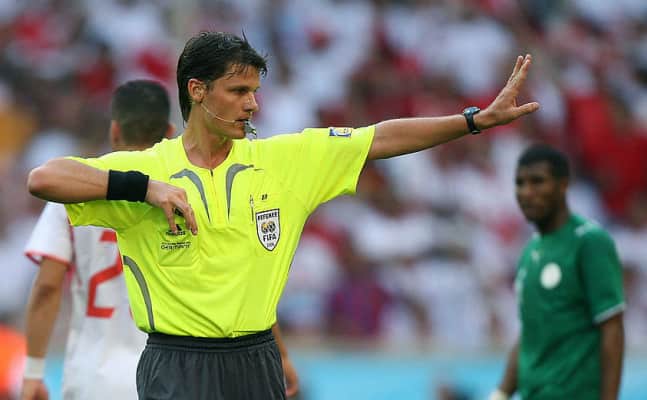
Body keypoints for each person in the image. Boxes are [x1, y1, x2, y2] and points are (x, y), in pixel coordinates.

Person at [27, 31, 539, 399]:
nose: (252, 104)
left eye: (255, 91)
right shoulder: (149, 168)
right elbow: (45, 177)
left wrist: (473, 121)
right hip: (176, 364)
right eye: (238, 91)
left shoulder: (284, 160)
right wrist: (142, 189)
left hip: (257, 361)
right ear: (197, 90)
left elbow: (379, 138)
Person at [20, 79, 298, 400]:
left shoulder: (74, 189)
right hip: (172, 369)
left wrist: (33, 372)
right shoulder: (188, 188)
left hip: (94, 375)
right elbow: (235, 285)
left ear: (114, 131)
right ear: (169, 131)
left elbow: (48, 285)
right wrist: (281, 353)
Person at [489, 145, 625, 400]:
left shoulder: (588, 242)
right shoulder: (530, 251)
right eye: (520, 183)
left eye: (537, 181)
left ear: (563, 184)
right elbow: (530, 332)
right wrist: (501, 392)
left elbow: (612, 327)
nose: (527, 192)